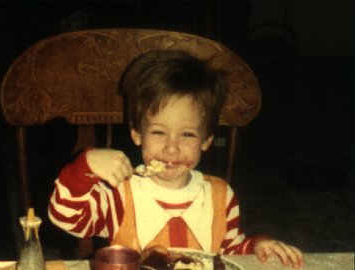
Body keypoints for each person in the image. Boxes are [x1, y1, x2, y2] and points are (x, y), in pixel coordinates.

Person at [48, 50, 304, 268]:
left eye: (188, 134)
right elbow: (66, 218)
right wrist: (85, 166)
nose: (172, 148)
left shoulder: (221, 195)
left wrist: (260, 243)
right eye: (158, 132)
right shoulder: (119, 192)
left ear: (206, 140)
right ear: (137, 134)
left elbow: (231, 252)